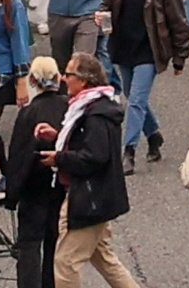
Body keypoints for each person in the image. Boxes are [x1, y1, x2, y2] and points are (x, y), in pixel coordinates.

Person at [51, 51, 145, 288]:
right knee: (105, 260)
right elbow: (91, 145)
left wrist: (59, 158)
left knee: (66, 263)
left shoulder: (95, 114)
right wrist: (58, 138)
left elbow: (94, 157)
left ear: (83, 80)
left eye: (69, 74)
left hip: (89, 199)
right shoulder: (94, 108)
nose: (63, 78)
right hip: (99, 197)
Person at [102, 0, 189, 164]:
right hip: (123, 49)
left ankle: (128, 151)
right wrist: (102, 16)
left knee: (137, 101)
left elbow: (179, 23)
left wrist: (180, 57)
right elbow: (107, 6)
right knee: (133, 98)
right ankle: (153, 135)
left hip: (149, 52)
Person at [4, 55, 71, 288]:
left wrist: (12, 194)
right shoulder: (68, 106)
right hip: (60, 185)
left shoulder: (28, 113)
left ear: (32, 80)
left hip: (33, 188)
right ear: (58, 78)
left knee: (30, 245)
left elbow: (18, 156)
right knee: (54, 242)